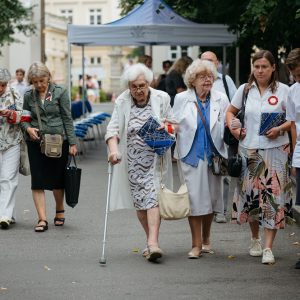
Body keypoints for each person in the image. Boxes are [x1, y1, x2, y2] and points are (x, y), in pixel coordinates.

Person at [226, 50, 293, 265]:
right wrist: (235, 130)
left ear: (273, 68)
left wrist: (280, 129)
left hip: (276, 150)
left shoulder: (285, 91)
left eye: (265, 66)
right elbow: (230, 112)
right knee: (251, 196)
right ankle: (254, 239)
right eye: (257, 67)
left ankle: (268, 247)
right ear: (252, 68)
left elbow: (293, 120)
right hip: (249, 150)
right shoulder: (245, 90)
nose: (260, 70)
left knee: (272, 197)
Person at [105, 63, 176, 262]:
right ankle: (150, 242)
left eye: (142, 86)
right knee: (141, 205)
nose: (138, 90)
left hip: (156, 160)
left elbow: (174, 123)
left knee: (153, 198)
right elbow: (113, 129)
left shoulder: (162, 98)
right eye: (134, 87)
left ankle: (153, 243)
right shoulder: (122, 101)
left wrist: (167, 128)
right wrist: (113, 151)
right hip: (132, 162)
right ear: (128, 87)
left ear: (149, 83)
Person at [173, 59, 229, 258]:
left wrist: (235, 126)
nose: (207, 80)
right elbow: (174, 123)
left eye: (210, 76)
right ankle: (196, 244)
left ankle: (206, 239)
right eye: (202, 76)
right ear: (192, 80)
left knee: (211, 200)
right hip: (191, 155)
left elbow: (228, 122)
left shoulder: (221, 99)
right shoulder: (182, 98)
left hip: (214, 156)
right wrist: (169, 129)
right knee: (195, 200)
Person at [21, 62, 77, 232]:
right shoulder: (29, 95)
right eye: (35, 82)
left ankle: (59, 210)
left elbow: (67, 118)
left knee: (57, 180)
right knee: (37, 180)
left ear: (48, 77)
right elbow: (24, 118)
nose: (38, 85)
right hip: (36, 142)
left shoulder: (61, 92)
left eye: (41, 81)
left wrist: (73, 143)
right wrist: (28, 129)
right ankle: (42, 219)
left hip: (59, 142)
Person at [201, 51, 237, 223]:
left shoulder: (225, 80)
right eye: (203, 61)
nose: (207, 64)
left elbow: (234, 105)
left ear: (217, 63)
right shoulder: (195, 80)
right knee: (203, 173)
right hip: (201, 136)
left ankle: (221, 210)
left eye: (210, 61)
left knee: (222, 173)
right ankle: (206, 208)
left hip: (221, 135)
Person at [0, 68, 26, 229]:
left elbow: (24, 116)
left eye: (3, 85)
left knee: (8, 178)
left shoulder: (15, 93)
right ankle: (9, 213)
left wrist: (11, 114)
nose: (0, 88)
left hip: (12, 140)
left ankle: (5, 216)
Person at [285, 48, 300, 269]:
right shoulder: (293, 91)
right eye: (295, 75)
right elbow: (294, 124)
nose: (298, 79)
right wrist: (295, 155)